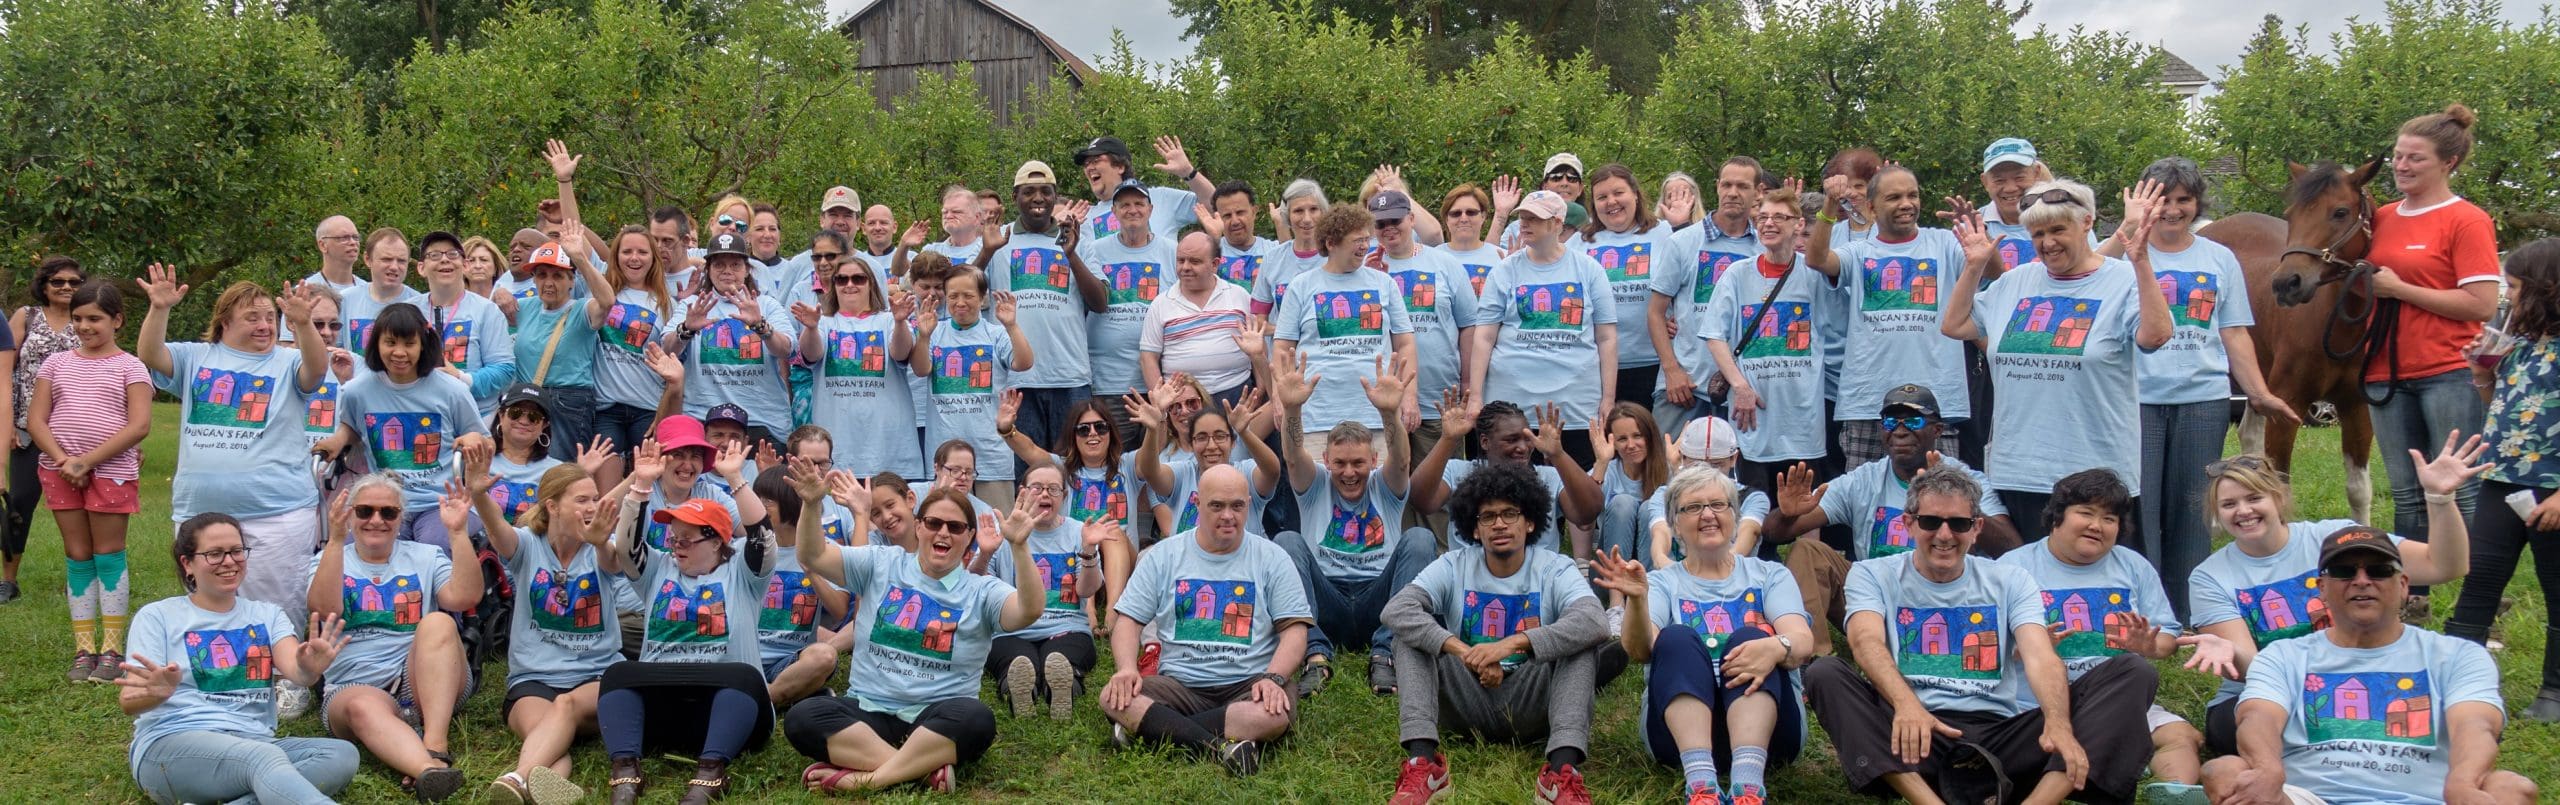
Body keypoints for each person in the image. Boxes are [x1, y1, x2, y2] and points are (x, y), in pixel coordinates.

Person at [1802, 463, 2156, 805]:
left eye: (1958, 523)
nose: (1944, 535)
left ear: (1976, 528)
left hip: (2001, 735)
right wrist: (1907, 705)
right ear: (1909, 524)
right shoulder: (1871, 573)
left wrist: (2057, 722)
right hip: (1913, 732)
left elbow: (2039, 655)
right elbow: (1865, 641)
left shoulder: (2009, 578)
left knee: (2133, 671)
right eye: (1930, 522)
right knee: (1825, 673)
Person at [2200, 527, 2540, 805]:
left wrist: (2462, 783)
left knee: (2511, 789)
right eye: (2345, 572)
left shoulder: (2457, 655)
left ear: (2404, 586)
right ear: (2321, 588)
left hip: (2427, 797)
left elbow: (2476, 725)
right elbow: (2257, 716)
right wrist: (2267, 769)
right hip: (2308, 798)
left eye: (2379, 571)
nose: (2362, 580)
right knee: (2225, 771)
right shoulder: (2284, 655)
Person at [2188, 443, 2483, 755]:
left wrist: (2440, 499)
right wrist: (2228, 654)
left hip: (2367, 678)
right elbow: (2256, 669)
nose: (2243, 511)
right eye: (2229, 504)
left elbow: (2446, 566)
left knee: (2460, 719)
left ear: (2279, 498)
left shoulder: (2336, 540)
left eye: (2254, 498)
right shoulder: (2210, 576)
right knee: (2233, 726)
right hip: (2273, 693)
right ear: (2217, 513)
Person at [2098, 158, 2293, 619]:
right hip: (2136, 398)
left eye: (2183, 200)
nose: (2172, 210)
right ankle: (2145, 610)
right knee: (2139, 508)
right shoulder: (2123, 252)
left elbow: (2234, 332)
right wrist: (2128, 229)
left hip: (2203, 398)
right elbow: (2085, 275)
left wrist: (2259, 393)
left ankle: (2191, 610)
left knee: (2192, 511)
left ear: (2196, 203)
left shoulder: (2217, 257)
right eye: (2161, 199)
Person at [1940, 179, 2173, 540]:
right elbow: (1955, 325)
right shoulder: (2016, 282)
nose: (2047, 243)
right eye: (2037, 233)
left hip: (2096, 476)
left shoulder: (2122, 280)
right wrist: (1974, 266)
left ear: (2086, 223)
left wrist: (2141, 263)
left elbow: (2155, 336)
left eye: (2057, 230)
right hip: (2018, 469)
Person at [787, 469, 1041, 795]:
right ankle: (921, 772)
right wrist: (811, 504)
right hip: (869, 711)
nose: (943, 533)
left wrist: (1019, 546)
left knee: (977, 719)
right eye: (934, 523)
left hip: (934, 717)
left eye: (956, 527)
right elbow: (813, 555)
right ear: (919, 526)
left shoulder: (981, 590)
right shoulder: (881, 563)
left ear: (969, 537)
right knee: (803, 717)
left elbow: (1029, 610)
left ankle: (869, 778)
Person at [1386, 460, 1621, 805]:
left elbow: (1594, 620)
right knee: (1409, 635)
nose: (1499, 524)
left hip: (1532, 698)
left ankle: (1561, 773)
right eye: (1487, 516)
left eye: (1510, 513)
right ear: (1474, 528)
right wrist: (1465, 652)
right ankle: (1423, 764)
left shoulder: (1556, 567)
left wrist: (1513, 643)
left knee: (1581, 642)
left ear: (1529, 523)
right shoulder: (1454, 564)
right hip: (1465, 696)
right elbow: (1396, 610)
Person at [1995, 469, 2219, 803]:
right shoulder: (2012, 568)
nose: (2096, 526)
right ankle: (2120, 759)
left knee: (2181, 736)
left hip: (2118, 701)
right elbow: (1986, 647)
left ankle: (2173, 792)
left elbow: (2167, 637)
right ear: (2057, 517)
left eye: (2109, 518)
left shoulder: (2133, 566)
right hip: (2035, 707)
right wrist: (2025, 648)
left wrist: (2150, 645)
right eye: (2085, 513)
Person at [137, 271, 333, 655]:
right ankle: (226, 671)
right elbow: (149, 354)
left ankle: (284, 675)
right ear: (224, 321)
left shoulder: (288, 362)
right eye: (252, 317)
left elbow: (317, 369)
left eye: (268, 318)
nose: (264, 326)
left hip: (276, 510)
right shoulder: (196, 357)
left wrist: (304, 323)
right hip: (200, 509)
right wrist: (159, 308)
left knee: (278, 600)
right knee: (210, 598)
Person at [1593, 466, 1814, 805]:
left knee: (1750, 637)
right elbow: (1640, 650)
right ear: (1675, 524)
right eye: (1693, 508)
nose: (1708, 515)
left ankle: (1748, 789)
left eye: (1718, 504)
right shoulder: (1664, 582)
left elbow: (1801, 641)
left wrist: (1774, 645)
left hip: (1771, 737)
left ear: (1735, 516)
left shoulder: (1769, 574)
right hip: (1680, 739)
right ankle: (1701, 788)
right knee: (1676, 638)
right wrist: (1636, 601)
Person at [2364, 105, 2501, 615]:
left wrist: (2401, 288)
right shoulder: (2379, 218)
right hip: (2385, 371)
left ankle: (2477, 594)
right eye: (2398, 155)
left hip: (2448, 370)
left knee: (2462, 489)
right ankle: (2411, 592)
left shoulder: (2467, 220)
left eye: (2414, 158)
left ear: (2450, 162)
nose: (2401, 165)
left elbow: (2481, 304)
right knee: (2405, 491)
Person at [592, 440, 784, 803]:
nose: (676, 545)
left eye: (687, 538)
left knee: (743, 677)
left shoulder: (744, 574)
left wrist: (736, 479)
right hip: (663, 709)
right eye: (673, 536)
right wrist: (641, 487)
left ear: (717, 541)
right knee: (617, 675)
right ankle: (626, 771)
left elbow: (762, 534)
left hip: (732, 712)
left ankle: (709, 775)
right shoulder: (658, 568)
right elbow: (627, 546)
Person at [120, 513, 356, 805]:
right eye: (214, 554)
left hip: (253, 743)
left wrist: (309, 669)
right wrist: (156, 694)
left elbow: (299, 673)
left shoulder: (266, 615)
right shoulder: (158, 616)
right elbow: (130, 702)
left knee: (342, 754)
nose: (229, 561)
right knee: (263, 758)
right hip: (172, 745)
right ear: (187, 563)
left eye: (235, 551)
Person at [1763, 384, 2014, 654]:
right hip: (1871, 598)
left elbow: (2011, 547)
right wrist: (1787, 514)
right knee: (1807, 551)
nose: (1900, 430)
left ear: (1937, 430)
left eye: (1913, 421)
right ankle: (1809, 663)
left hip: (1943, 601)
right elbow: (1775, 534)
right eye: (1890, 421)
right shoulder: (1864, 480)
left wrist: (1958, 503)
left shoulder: (1967, 479)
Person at [1101, 465, 1313, 776]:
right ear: (1198, 504)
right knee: (1112, 697)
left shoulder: (1272, 558)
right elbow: (1128, 622)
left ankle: (1153, 730)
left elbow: (1294, 631)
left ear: (1248, 506)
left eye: (1237, 506)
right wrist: (1127, 669)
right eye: (1217, 505)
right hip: (1180, 685)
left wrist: (1274, 677)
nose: (1228, 515)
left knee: (1273, 713)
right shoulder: (1164, 556)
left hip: (1249, 684)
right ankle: (1222, 747)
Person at [304, 474, 483, 800]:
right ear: (349, 514)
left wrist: (457, 534)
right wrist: (334, 540)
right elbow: (325, 608)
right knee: (361, 706)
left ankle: (434, 746)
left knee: (440, 623)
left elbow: (464, 597)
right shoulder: (328, 560)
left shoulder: (425, 556)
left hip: (426, 681)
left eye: (388, 512)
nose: (376, 520)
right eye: (364, 511)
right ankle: (428, 772)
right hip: (355, 686)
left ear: (401, 517)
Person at [1272, 349, 1433, 695]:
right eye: (1340, 463)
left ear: (1374, 460)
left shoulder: (1384, 484)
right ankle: (1314, 653)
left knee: (1420, 538)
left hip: (1381, 601)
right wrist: (1293, 410)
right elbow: (1292, 454)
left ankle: (1385, 653)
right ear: (1326, 460)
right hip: (1325, 600)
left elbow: (1403, 460)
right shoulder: (1313, 483)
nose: (1349, 472)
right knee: (1287, 540)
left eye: (1358, 463)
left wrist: (1390, 414)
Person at [464, 460, 620, 805]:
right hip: (532, 678)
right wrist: (478, 492)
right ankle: (533, 791)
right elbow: (496, 531)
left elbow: (612, 562)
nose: (592, 507)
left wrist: (599, 542)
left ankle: (515, 778)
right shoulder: (526, 546)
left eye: (594, 499)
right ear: (552, 506)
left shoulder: (601, 548)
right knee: (545, 740)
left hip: (596, 674)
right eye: (581, 500)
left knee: (563, 707)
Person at [2453, 237, 2560, 722]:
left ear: (2546, 288)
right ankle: (2457, 679)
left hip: (2551, 489)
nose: (2507, 297)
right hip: (2502, 481)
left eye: (2514, 287)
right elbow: (2501, 410)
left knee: (2556, 588)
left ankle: (2554, 693)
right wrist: (2482, 372)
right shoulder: (2518, 345)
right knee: (2480, 579)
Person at [1803, 167, 1971, 466]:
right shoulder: (1858, 252)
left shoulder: (1945, 244)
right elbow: (1816, 260)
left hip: (1937, 401)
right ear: (1870, 206)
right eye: (1893, 197)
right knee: (1866, 503)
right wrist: (1829, 206)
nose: (1906, 203)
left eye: (1912, 195)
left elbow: (1995, 272)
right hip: (1868, 402)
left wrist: (1975, 235)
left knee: (1940, 498)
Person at [30, 280, 153, 683]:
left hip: (111, 472)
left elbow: (139, 425)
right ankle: (84, 651)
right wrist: (66, 460)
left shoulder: (131, 367)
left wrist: (88, 462)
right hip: (59, 470)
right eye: (78, 318)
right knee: (78, 555)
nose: (85, 326)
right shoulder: (56, 364)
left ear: (117, 320)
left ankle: (112, 649)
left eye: (95, 318)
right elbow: (36, 420)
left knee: (108, 554)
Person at [320, 302, 495, 552]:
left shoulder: (452, 390)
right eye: (390, 343)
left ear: (423, 345)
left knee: (433, 547)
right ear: (377, 345)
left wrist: (472, 438)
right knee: (356, 550)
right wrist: (338, 440)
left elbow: (485, 439)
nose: (399, 352)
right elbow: (352, 426)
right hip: (385, 501)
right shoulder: (358, 391)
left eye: (409, 344)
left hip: (440, 500)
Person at [1473, 190, 1618, 466]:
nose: (1525, 224)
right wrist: (1476, 397)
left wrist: (1608, 398)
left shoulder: (1589, 269)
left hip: (1574, 407)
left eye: (1535, 218)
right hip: (1511, 408)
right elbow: (1484, 336)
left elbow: (1607, 337)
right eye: (1523, 217)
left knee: (1574, 491)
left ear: (1557, 223)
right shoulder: (1504, 271)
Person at [1702, 186, 1827, 493]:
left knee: (1805, 508)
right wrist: (1740, 386)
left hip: (1801, 416)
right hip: (1751, 416)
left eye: (1779, 217)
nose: (1769, 224)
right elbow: (1714, 336)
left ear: (1798, 224)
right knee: (1752, 509)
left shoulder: (1815, 277)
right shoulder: (1737, 274)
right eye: (1763, 217)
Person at [977, 161, 1099, 454]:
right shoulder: (998, 238)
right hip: (1015, 378)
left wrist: (1071, 255)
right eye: (1028, 191)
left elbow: (1099, 302)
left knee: (1073, 467)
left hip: (1069, 375)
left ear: (1055, 196)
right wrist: (986, 252)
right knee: (1024, 473)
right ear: (1015, 196)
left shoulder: (1076, 238)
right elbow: (964, 292)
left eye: (1046, 191)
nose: (1038, 198)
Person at [1274, 202, 1417, 444]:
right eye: (1357, 240)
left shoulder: (1384, 283)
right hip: (1316, 416)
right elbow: (1281, 348)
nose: (1365, 246)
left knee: (1380, 481)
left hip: (1377, 415)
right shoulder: (1301, 285)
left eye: (1367, 239)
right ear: (1331, 243)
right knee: (1315, 482)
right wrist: (1280, 400)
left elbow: (1405, 343)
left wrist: (1409, 396)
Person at [982, 463, 1115, 719]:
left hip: (1066, 627)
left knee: (1060, 659)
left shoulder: (1079, 531)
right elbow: (979, 587)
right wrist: (986, 552)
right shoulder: (1003, 532)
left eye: (1054, 489)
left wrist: (1088, 550)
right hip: (1011, 630)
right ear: (1022, 492)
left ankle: (1064, 689)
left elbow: (1086, 590)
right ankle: (1020, 691)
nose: (1045, 494)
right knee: (1018, 662)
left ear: (1064, 497)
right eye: (1037, 488)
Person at [994, 394, 1144, 622]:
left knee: (1110, 529)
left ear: (1111, 432)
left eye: (1101, 427)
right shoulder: (1062, 468)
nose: (1092, 433)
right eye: (1083, 429)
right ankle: (1089, 611)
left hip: (1121, 566)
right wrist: (1007, 430)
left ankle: (1114, 611)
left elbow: (1152, 455)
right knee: (1085, 537)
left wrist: (1156, 424)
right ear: (1073, 436)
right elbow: (1031, 450)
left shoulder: (1129, 465)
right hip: (1078, 571)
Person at [1654, 158, 1772, 434]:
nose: (1733, 192)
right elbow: (1655, 311)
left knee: (1733, 475)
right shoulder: (1683, 242)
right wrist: (1672, 371)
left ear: (1758, 192)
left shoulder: (1763, 247)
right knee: (1671, 472)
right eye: (1727, 184)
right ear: (1717, 187)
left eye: (1742, 186)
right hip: (1686, 385)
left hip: (1743, 388)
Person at [1371, 189, 1489, 462]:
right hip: (1383, 401)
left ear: (1411, 219)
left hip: (1439, 397)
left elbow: (1469, 327)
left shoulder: (1445, 264)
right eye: (1380, 224)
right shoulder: (1365, 268)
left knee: (1440, 489)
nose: (1389, 229)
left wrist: (1468, 383)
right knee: (1390, 488)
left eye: (1395, 221)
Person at [1412, 392, 1602, 559]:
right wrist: (1448, 439)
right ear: (1485, 442)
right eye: (1511, 440)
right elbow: (1421, 501)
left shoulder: (1549, 477)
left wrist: (1558, 454)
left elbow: (1587, 513)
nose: (1522, 447)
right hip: (1470, 579)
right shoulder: (1458, 472)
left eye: (1527, 439)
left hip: (1537, 580)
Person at [795, 241, 925, 478]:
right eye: (841, 279)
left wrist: (898, 322)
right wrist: (812, 328)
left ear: (871, 284)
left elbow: (901, 353)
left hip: (890, 451)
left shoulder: (887, 320)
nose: (850, 284)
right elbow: (811, 355)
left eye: (858, 279)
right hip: (838, 454)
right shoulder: (823, 322)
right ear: (833, 286)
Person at [912, 264, 1035, 509]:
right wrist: (923, 336)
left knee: (997, 527)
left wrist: (1011, 325)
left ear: (982, 298)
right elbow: (920, 369)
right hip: (945, 456)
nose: (960, 302)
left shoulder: (995, 334)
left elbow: (1024, 362)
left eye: (968, 295)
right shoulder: (935, 332)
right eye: (953, 296)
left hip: (991, 454)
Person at [1574, 163, 1681, 411]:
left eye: (1618, 193)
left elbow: (1686, 285)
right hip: (1596, 366)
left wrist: (1680, 318)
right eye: (1602, 197)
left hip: (1654, 362)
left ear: (1635, 193)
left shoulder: (1664, 233)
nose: (1611, 202)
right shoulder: (1579, 242)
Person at [5, 256, 81, 602]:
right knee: (19, 504)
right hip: (25, 429)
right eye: (58, 281)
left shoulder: (86, 320)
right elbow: (6, 370)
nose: (67, 287)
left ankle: (78, 578)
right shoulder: (26, 316)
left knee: (78, 509)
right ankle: (8, 579)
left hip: (73, 432)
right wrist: (7, 424)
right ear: (44, 285)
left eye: (74, 282)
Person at [676, 230, 795, 447]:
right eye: (719, 265)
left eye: (735, 265)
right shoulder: (691, 305)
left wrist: (760, 326)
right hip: (703, 418)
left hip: (762, 421)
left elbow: (786, 349)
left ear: (747, 269)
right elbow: (667, 350)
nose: (727, 271)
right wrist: (687, 329)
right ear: (708, 270)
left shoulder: (768, 305)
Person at [1084, 179, 1182, 428]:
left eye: (1139, 203)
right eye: (1124, 205)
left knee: (1159, 460)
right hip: (1108, 381)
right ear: (1113, 212)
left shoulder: (1172, 251)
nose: (1132, 210)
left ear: (1150, 209)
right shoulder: (1094, 251)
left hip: (1162, 383)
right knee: (1117, 461)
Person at [591, 221, 679, 472]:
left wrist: (662, 412)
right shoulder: (601, 290)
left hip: (648, 408)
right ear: (615, 256)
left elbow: (673, 363)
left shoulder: (666, 303)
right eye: (627, 251)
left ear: (653, 257)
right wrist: (565, 182)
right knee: (608, 497)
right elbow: (578, 244)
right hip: (606, 407)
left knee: (647, 487)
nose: (634, 258)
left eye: (642, 252)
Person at [1141, 231, 1260, 404]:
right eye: (1181, 260)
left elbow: (1257, 349)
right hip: (1183, 401)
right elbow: (1148, 358)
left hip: (1238, 394)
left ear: (1215, 264)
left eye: (1194, 261)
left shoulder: (1239, 296)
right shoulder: (1161, 304)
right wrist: (1161, 403)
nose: (1185, 267)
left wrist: (1261, 391)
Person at [1071, 135, 1216, 241]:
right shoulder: (1083, 218)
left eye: (1096, 161)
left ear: (1120, 166)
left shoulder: (1161, 197)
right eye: (1086, 164)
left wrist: (1188, 172)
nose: (1089, 167)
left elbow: (1214, 205)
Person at [1590, 402, 1670, 579]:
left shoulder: (1668, 469)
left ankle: (1653, 591)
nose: (1631, 445)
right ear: (1613, 443)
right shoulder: (1607, 470)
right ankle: (1616, 600)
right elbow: (1584, 513)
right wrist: (1601, 463)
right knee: (1622, 502)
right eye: (1622, 439)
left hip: (1657, 566)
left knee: (1650, 507)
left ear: (1650, 437)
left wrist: (1679, 469)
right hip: (1609, 572)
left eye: (1637, 436)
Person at [338, 229, 428, 369]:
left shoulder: (420, 305)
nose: (394, 267)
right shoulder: (345, 300)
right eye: (386, 259)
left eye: (401, 261)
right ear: (368, 259)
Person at [1250, 179, 1332, 322]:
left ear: (1323, 212)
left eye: (1313, 209)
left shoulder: (1338, 255)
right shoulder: (1272, 259)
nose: (1307, 219)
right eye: (1298, 211)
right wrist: (1287, 335)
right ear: (1287, 216)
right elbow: (1258, 321)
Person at [1436, 181, 1507, 301]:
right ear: (1446, 219)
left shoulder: (1504, 257)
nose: (1463, 218)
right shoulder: (1433, 257)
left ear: (1483, 216)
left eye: (1471, 212)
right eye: (1456, 214)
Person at [1209, 181, 1275, 290]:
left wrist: (1282, 226)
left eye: (1240, 212)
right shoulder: (1208, 252)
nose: (1235, 221)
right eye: (1227, 215)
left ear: (1254, 212)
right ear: (1217, 218)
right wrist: (1214, 240)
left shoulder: (1274, 250)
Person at [309, 215, 365, 295]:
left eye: (355, 237)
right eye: (344, 238)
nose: (353, 242)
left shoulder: (368, 292)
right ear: (323, 245)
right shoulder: (306, 292)